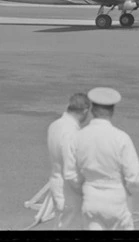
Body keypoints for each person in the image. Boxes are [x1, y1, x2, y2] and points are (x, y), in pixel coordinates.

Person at [64, 87, 139, 230]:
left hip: (91, 198)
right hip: (117, 198)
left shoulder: (78, 137)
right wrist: (129, 192)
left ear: (92, 110)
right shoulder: (121, 138)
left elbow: (70, 174)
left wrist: (84, 188)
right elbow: (134, 177)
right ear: (112, 111)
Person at [46, 92, 91, 229]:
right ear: (85, 110)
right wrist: (85, 192)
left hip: (56, 183)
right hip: (68, 190)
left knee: (61, 224)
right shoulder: (71, 132)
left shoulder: (55, 125)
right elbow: (70, 171)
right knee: (70, 226)